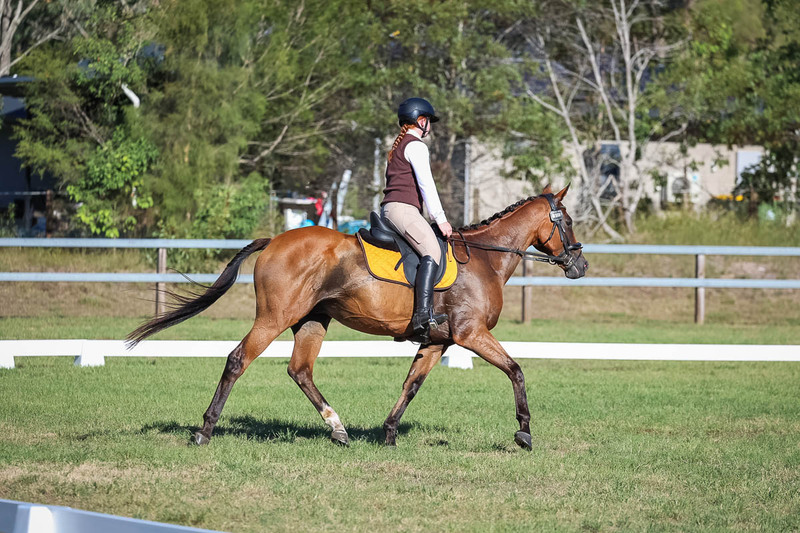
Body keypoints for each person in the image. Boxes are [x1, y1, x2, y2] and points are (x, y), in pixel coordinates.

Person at [381, 97, 453, 342]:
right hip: (404, 210)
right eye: (428, 121)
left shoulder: (400, 146)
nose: (430, 126)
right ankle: (422, 316)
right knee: (433, 251)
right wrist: (440, 219)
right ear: (421, 121)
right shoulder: (416, 146)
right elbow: (427, 186)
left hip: (393, 209)